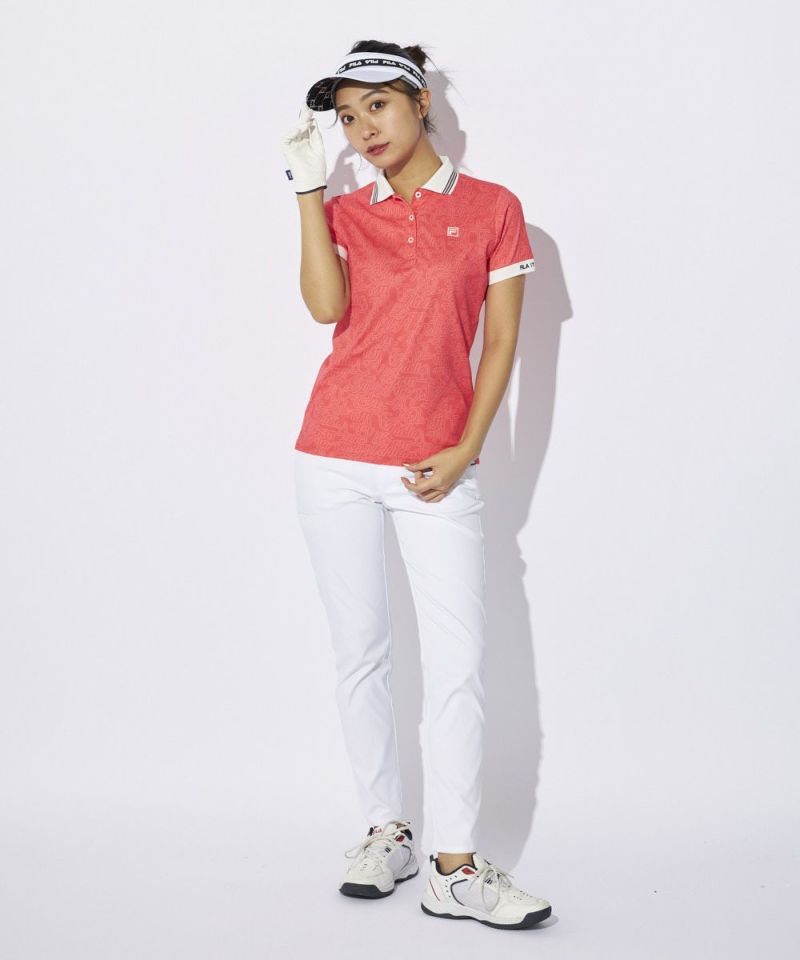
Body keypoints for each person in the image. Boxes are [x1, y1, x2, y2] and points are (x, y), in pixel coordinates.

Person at [280, 40, 551, 931]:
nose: (363, 129)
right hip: (333, 455)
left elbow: (502, 343)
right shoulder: (344, 211)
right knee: (360, 652)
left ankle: (454, 867)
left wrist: (466, 449)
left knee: (459, 663)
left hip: (434, 465)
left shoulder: (493, 209)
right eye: (347, 117)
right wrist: (308, 192)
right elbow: (325, 308)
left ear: (420, 101)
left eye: (378, 107)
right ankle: (385, 830)